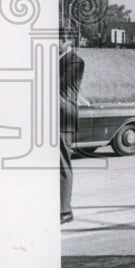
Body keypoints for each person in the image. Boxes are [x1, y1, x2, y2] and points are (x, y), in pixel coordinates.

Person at [59, 29, 84, 225]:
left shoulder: (75, 62)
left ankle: (65, 211)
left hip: (63, 120)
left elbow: (63, 91)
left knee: (62, 165)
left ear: (66, 41)